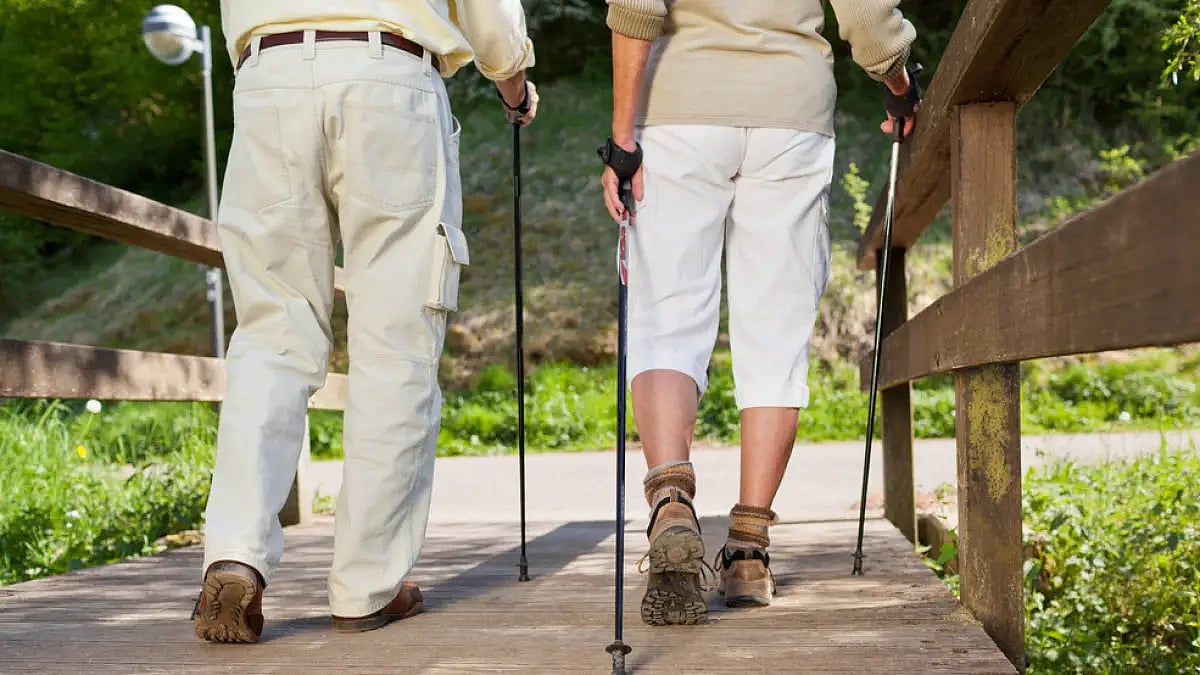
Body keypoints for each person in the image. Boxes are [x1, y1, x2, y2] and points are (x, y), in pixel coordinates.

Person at [193, 1, 538, 643]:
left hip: (267, 74)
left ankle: (235, 553)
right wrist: (512, 76)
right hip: (387, 78)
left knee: (271, 334)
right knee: (396, 342)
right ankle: (366, 587)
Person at [597, 0, 918, 625]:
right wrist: (899, 86)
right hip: (789, 118)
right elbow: (869, 18)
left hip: (679, 109)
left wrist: (622, 135)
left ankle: (670, 501)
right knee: (774, 336)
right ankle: (748, 549)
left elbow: (635, 8)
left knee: (667, 322)